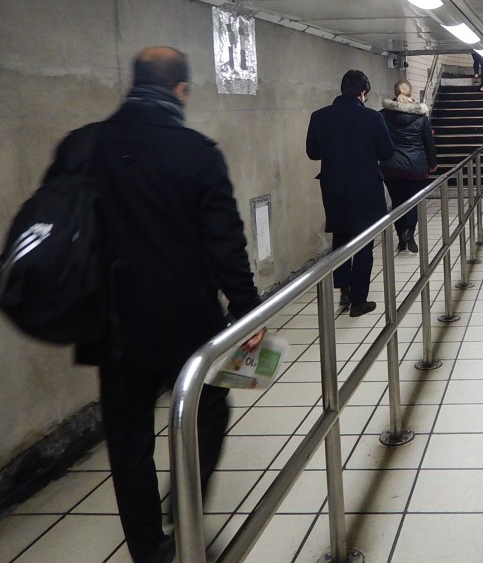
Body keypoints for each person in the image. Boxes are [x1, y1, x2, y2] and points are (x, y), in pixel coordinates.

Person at [47, 46, 264, 563]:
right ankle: (184, 510)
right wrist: (247, 308)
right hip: (185, 318)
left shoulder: (82, 145)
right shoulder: (196, 151)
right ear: (181, 90)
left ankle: (148, 548)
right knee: (208, 408)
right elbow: (225, 242)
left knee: (127, 437)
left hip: (110, 321)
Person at [306, 70, 394, 317]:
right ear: (363, 93)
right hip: (366, 188)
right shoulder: (373, 118)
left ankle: (344, 288)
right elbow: (387, 152)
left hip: (333, 188)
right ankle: (359, 301)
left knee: (341, 237)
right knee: (364, 242)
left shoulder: (319, 116)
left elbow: (313, 153)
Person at [380, 81, 438, 253]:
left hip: (390, 167)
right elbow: (429, 142)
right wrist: (433, 163)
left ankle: (401, 240)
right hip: (416, 167)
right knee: (413, 202)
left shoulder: (383, 115)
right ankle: (409, 231)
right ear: (410, 93)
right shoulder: (421, 117)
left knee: (397, 203)